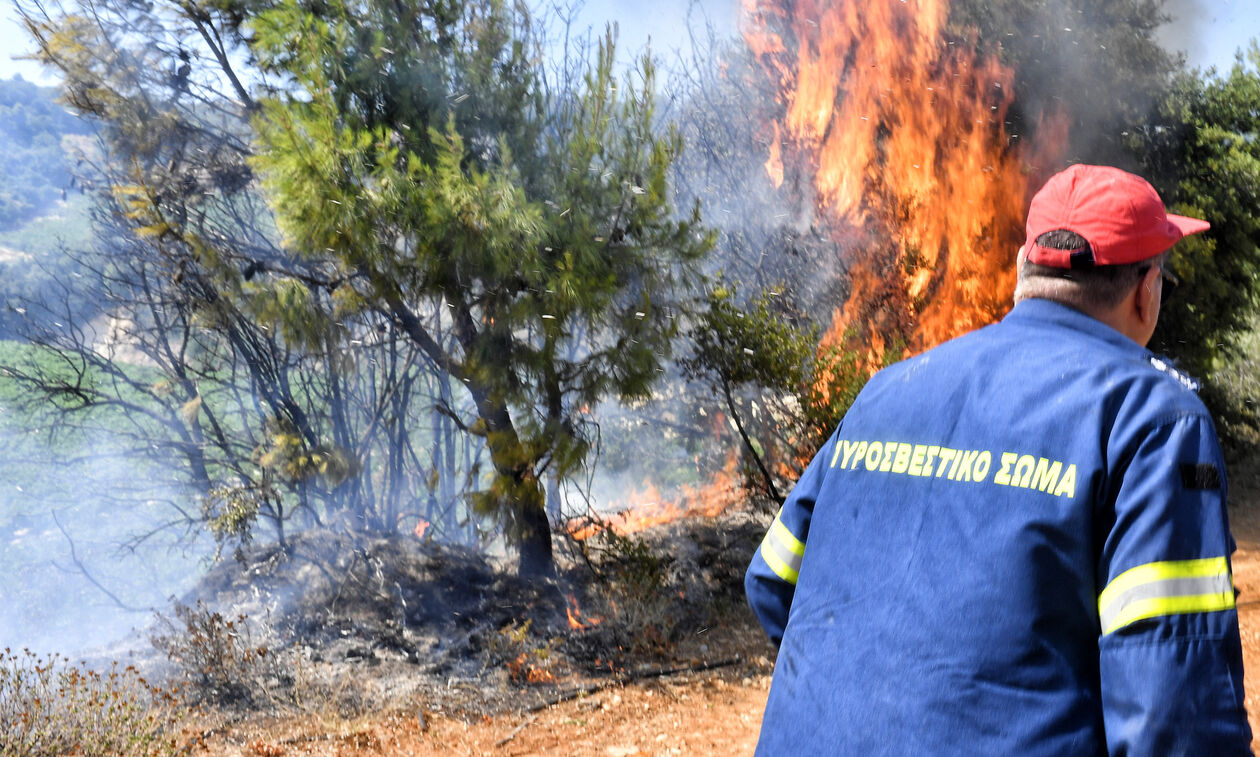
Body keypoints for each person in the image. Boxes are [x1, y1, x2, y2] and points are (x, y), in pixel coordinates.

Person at [745, 164, 1253, 755]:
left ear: (1021, 272)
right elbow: (1174, 708)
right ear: (1146, 291)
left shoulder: (888, 389)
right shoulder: (1152, 418)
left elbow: (774, 579)